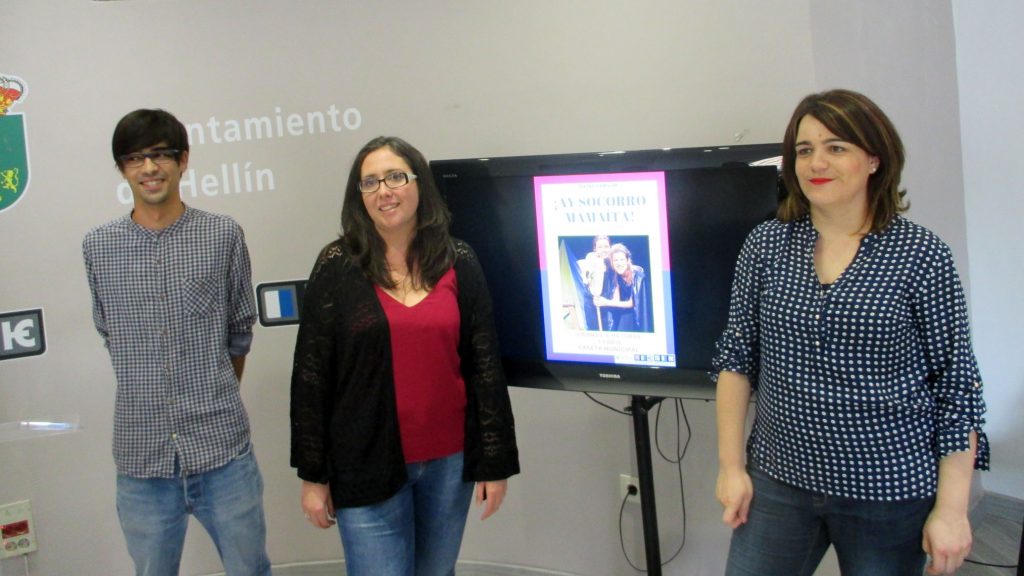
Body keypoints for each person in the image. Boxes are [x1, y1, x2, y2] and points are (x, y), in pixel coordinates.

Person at [713, 89, 988, 576]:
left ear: (874, 160)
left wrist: (952, 509)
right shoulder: (766, 245)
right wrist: (731, 467)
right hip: (780, 479)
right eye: (804, 150)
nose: (816, 163)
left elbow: (957, 387)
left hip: (889, 492)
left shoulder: (921, 255)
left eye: (836, 147)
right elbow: (736, 359)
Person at [290, 136, 520, 576]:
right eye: (370, 182)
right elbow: (311, 377)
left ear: (419, 184)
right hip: (364, 462)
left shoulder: (459, 259)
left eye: (395, 177)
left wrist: (495, 463)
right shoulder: (338, 265)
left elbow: (485, 368)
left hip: (449, 464)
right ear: (359, 196)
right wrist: (313, 476)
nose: (384, 191)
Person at [82, 109, 270, 575]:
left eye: (161, 155)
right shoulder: (98, 247)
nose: (149, 168)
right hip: (142, 458)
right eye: (135, 158)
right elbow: (110, 332)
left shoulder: (222, 235)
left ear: (183, 160)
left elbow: (238, 333)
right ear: (122, 169)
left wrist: (211, 393)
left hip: (222, 450)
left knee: (250, 570)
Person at [594, 243, 650, 332]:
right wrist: (600, 301)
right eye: (615, 260)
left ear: (627, 260)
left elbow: (633, 303)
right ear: (612, 263)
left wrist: (606, 302)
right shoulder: (617, 275)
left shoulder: (637, 274)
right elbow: (615, 301)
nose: (619, 263)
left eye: (622, 259)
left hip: (637, 313)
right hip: (625, 311)